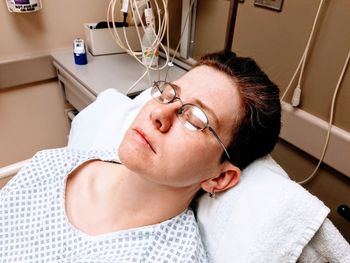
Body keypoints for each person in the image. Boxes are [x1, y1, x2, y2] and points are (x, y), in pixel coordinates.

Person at [0, 50, 281, 262]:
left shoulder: (172, 257)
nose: (159, 114)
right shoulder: (50, 166)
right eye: (169, 95)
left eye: (196, 119)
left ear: (219, 178)